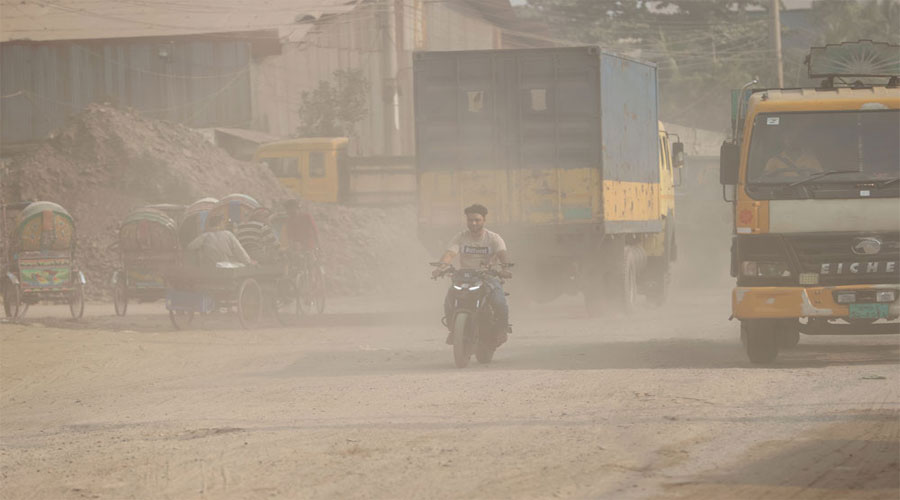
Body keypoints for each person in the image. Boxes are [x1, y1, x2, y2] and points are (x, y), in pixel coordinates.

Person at [432, 204, 512, 346]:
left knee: (499, 302)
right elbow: (450, 253)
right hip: (464, 276)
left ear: (484, 220)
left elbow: (502, 254)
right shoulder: (461, 237)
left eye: (477, 220)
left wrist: (504, 269)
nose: (473, 223)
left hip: (487, 276)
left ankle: (501, 330)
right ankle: (454, 331)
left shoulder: (493, 238)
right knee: (449, 300)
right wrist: (441, 267)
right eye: (470, 220)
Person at [186, 215, 255, 268]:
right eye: (223, 223)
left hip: (210, 268)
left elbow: (189, 247)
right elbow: (239, 251)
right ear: (220, 223)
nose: (224, 225)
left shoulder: (204, 236)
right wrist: (249, 262)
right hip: (227, 267)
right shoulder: (228, 234)